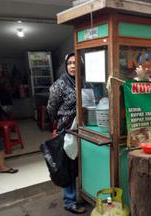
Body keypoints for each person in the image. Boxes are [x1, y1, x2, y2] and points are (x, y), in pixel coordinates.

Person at [47, 53, 86, 214]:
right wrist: (59, 123)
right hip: (67, 130)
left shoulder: (85, 82)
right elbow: (51, 109)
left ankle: (85, 192)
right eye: (69, 63)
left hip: (84, 128)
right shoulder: (59, 85)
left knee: (82, 163)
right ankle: (69, 201)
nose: (72, 66)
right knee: (68, 165)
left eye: (76, 63)